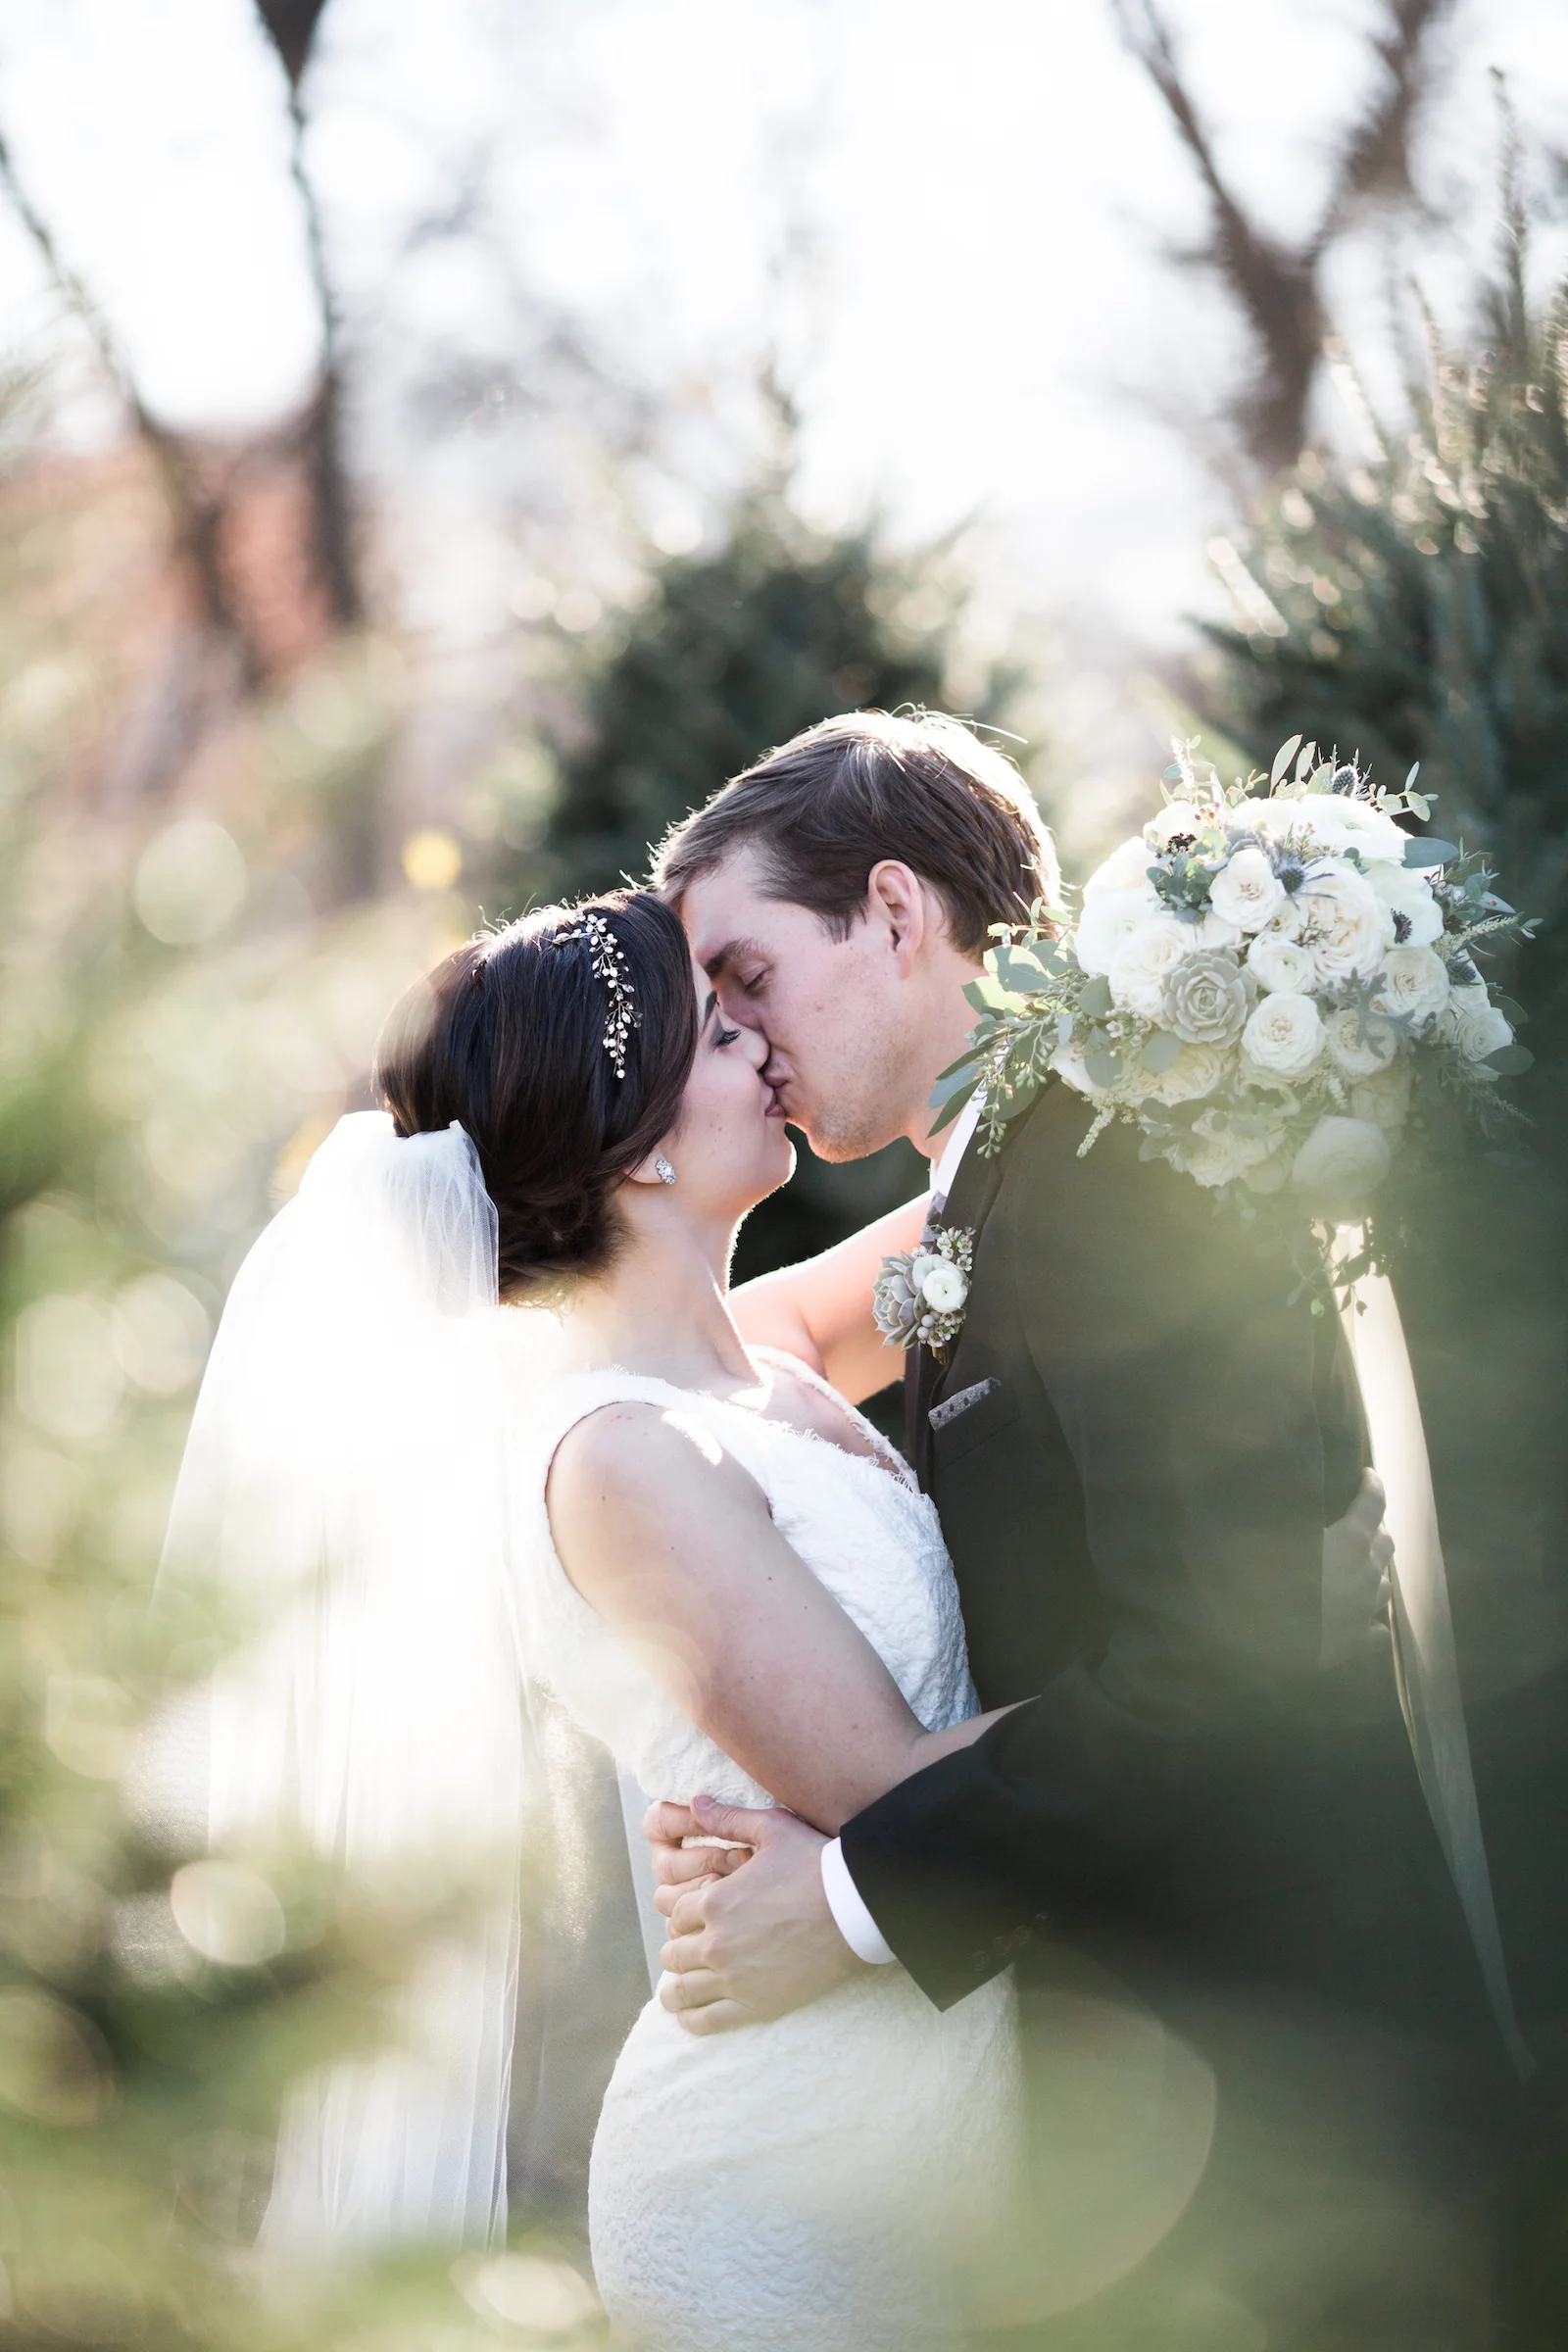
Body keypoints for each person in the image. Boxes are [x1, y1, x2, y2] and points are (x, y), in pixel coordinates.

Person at [646, 710, 1526, 2347]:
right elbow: (716, 1348)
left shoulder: (1114, 1168)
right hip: (1198, 2113)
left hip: (1308, 2102)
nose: (741, 1033)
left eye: (749, 974)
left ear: (895, 913)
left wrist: (844, 1904)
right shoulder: (1000, 1182)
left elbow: (1217, 1665)